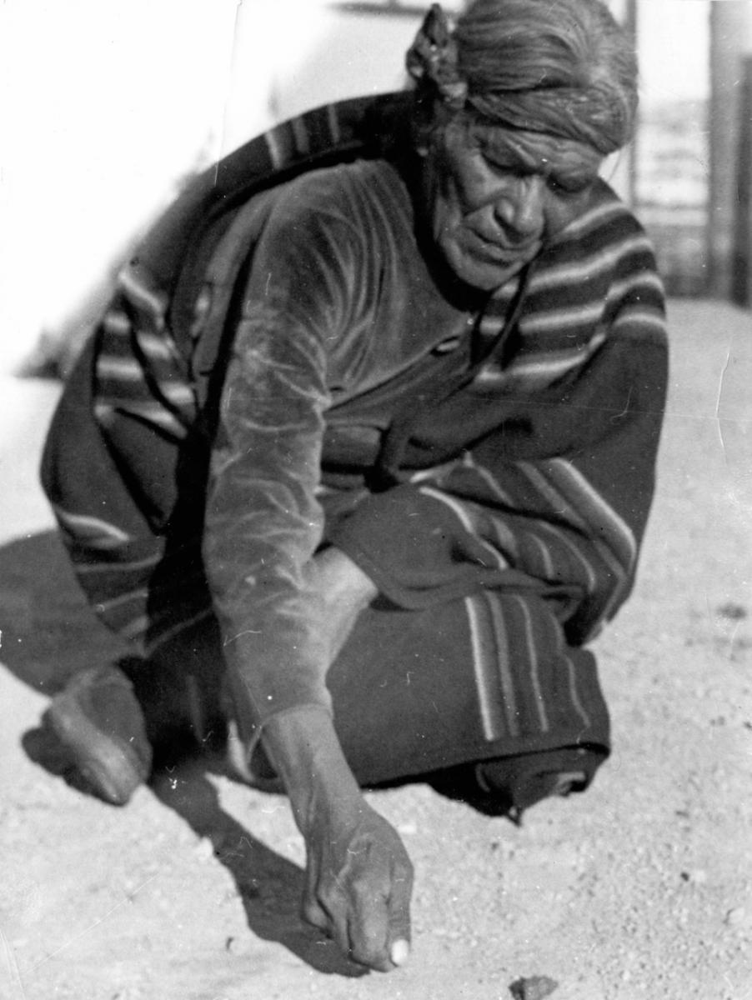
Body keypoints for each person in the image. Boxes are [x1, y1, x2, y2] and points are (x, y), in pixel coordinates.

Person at [39, 0, 667, 975]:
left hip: (354, 504)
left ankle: (199, 692)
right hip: (185, 509)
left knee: (529, 676)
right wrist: (327, 812)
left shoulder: (582, 247)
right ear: (439, 120)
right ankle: (176, 686)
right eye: (501, 164)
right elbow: (254, 520)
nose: (523, 213)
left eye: (564, 181)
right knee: (517, 680)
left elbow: (573, 486)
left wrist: (349, 572)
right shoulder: (322, 230)